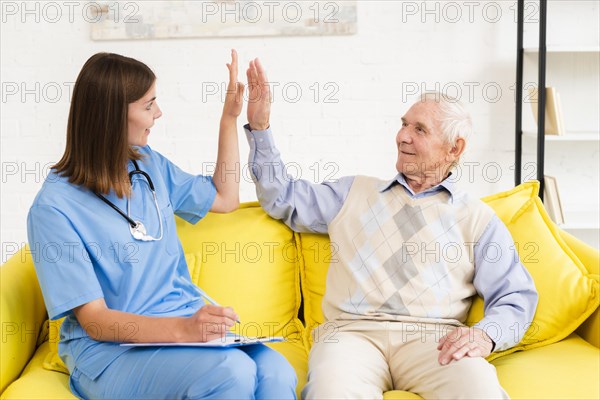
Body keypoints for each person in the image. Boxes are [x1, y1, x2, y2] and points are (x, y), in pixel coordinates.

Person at [244, 59, 538, 399]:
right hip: (352, 336)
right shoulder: (352, 192)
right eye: (403, 125)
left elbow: (516, 297)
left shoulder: (478, 218)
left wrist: (485, 334)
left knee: (481, 392)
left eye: (420, 130)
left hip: (435, 339)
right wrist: (261, 127)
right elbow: (281, 197)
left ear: (454, 149)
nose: (402, 136)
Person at [27, 51, 297, 399]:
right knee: (232, 372)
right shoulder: (53, 208)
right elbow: (95, 320)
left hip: (179, 328)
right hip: (111, 350)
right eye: (148, 105)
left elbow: (224, 199)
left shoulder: (147, 165)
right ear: (111, 116)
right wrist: (184, 330)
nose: (159, 113)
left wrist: (229, 119)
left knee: (276, 372)